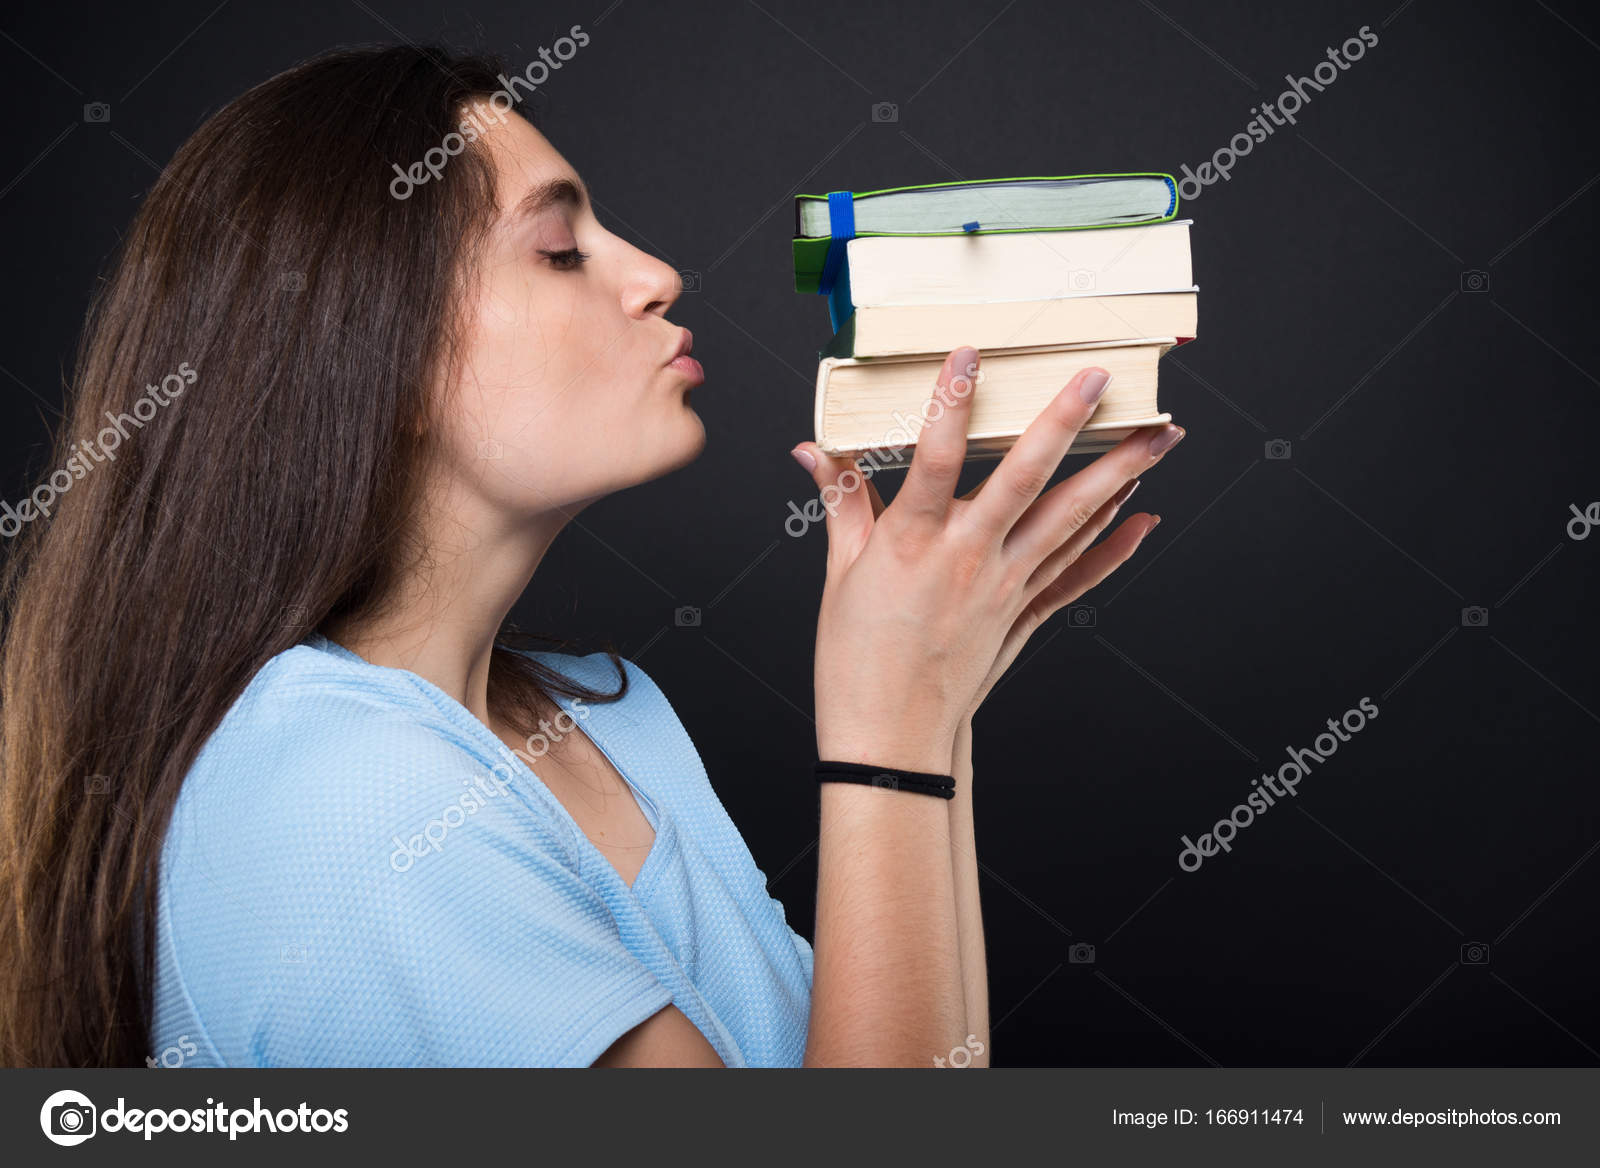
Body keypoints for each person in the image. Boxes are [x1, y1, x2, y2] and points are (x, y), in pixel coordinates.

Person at [0, 46, 1182, 1067]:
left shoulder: (608, 716)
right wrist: (893, 732)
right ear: (377, 351)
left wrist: (939, 703)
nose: (654, 274)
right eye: (561, 249)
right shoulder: (344, 800)